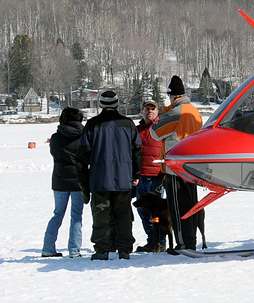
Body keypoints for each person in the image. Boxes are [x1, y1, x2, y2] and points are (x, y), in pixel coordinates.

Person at [76, 89, 141, 261]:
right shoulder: (128, 124)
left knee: (101, 217)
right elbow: (137, 151)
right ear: (118, 104)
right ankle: (125, 249)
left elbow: (82, 155)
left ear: (101, 105)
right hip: (123, 178)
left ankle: (102, 249)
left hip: (99, 179)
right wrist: (136, 173)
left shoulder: (92, 124)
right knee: (124, 216)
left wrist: (85, 181)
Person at [151, 75, 203, 249]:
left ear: (172, 96)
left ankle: (182, 243)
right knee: (191, 207)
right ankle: (191, 241)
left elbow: (155, 132)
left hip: (175, 168)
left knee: (177, 208)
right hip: (192, 166)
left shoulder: (175, 112)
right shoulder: (194, 111)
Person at [43, 107, 85, 258]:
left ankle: (48, 248)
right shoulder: (84, 136)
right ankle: (74, 250)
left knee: (57, 214)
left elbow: (55, 154)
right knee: (76, 216)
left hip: (59, 180)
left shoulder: (55, 137)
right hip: (78, 180)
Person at [134, 99, 165, 252]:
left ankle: (160, 241)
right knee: (143, 212)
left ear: (157, 111)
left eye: (153, 109)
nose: (150, 111)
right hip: (140, 177)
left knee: (157, 212)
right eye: (147, 109)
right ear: (142, 111)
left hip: (157, 177)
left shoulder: (162, 128)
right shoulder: (137, 130)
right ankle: (151, 240)